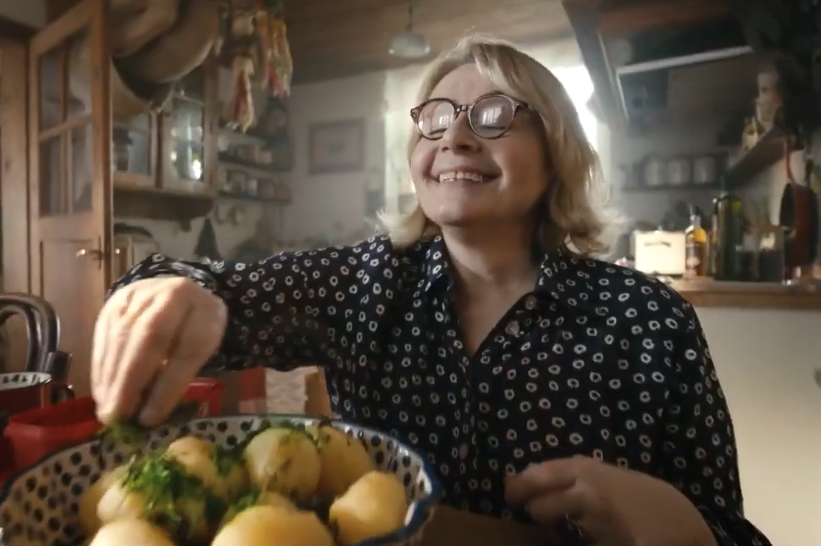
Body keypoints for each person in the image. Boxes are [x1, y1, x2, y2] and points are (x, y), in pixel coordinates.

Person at [91, 35, 770, 546]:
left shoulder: (650, 319)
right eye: (436, 118)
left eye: (494, 114)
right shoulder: (361, 282)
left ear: (557, 150)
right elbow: (201, 288)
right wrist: (171, 291)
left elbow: (730, 530)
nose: (456, 137)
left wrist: (682, 526)